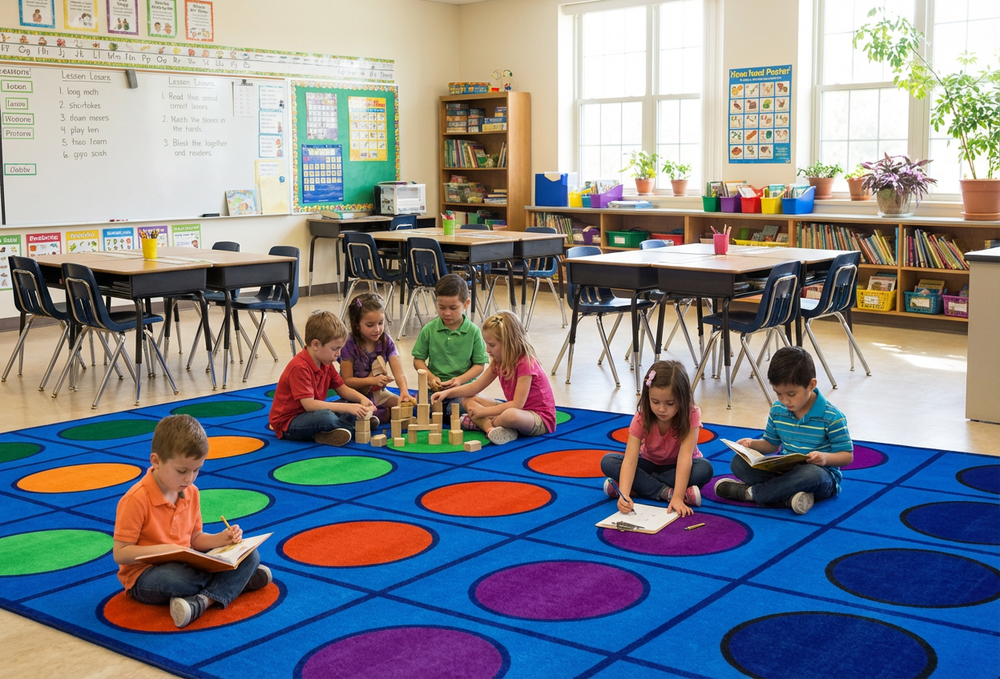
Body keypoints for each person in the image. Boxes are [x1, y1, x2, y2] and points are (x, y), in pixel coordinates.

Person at [112, 415, 272, 629]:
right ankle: (236, 584)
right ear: (156, 461)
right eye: (182, 471)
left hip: (188, 562)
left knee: (250, 555)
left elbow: (195, 539)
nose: (189, 478)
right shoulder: (136, 499)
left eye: (196, 470)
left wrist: (220, 539)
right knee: (177, 578)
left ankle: (203, 601)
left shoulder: (191, 492)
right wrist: (164, 550)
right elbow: (120, 553)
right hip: (145, 576)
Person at [714, 346, 853, 515]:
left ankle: (751, 494)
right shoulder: (778, 409)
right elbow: (771, 445)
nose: (785, 400)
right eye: (778, 393)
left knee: (810, 474)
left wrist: (825, 458)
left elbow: (847, 456)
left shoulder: (832, 417)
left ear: (811, 385)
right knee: (738, 463)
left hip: (822, 477)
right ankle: (787, 497)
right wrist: (752, 445)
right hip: (784, 471)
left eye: (791, 394)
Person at [600, 361, 713, 517]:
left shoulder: (691, 413)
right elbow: (631, 459)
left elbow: (685, 457)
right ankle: (666, 493)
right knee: (608, 461)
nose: (661, 409)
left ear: (683, 398)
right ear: (648, 397)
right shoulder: (642, 416)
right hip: (649, 464)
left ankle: (640, 486)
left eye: (670, 403)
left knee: (704, 469)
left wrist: (679, 498)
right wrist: (624, 495)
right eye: (655, 402)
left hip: (677, 467)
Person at [431, 310, 555, 445]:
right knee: (467, 399)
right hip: (516, 410)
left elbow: (517, 404)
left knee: (510, 415)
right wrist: (447, 392)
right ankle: (490, 429)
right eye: (487, 344)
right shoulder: (498, 362)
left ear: (508, 343)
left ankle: (480, 422)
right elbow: (475, 387)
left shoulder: (526, 363)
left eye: (492, 345)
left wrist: (484, 412)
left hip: (538, 418)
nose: (487, 350)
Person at [268, 310, 376, 446]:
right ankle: (355, 428)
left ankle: (331, 433)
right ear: (315, 345)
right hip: (289, 423)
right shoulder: (299, 367)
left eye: (340, 348)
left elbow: (342, 388)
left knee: (344, 405)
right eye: (334, 349)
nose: (338, 354)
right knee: (327, 417)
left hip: (312, 414)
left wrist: (362, 399)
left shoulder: (326, 362)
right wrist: (349, 409)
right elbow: (309, 405)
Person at [411, 273, 488, 410]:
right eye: (441, 307)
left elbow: (479, 366)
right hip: (435, 390)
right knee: (420, 408)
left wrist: (459, 380)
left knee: (463, 408)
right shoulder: (429, 329)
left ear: (466, 304)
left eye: (453, 308)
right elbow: (418, 360)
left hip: (463, 390)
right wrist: (430, 377)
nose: (447, 313)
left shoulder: (474, 332)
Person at [340, 292, 413, 422]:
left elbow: (399, 373)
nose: (377, 329)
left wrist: (404, 391)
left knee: (408, 408)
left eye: (381, 323)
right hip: (354, 395)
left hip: (377, 394)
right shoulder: (349, 344)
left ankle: (382, 413)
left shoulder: (386, 341)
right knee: (353, 416)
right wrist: (372, 381)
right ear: (357, 324)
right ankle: (381, 414)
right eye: (370, 325)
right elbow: (346, 381)